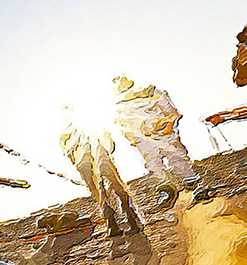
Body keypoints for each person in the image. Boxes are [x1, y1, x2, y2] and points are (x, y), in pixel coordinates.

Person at [112, 75, 207, 206]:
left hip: (162, 133)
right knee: (155, 164)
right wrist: (134, 139)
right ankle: (167, 191)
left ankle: (195, 187)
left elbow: (171, 111)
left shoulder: (151, 92)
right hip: (144, 139)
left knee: (176, 158)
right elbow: (123, 126)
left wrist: (168, 125)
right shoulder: (119, 106)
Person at [59, 119, 142, 237]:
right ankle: (128, 221)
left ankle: (116, 224)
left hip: (89, 161)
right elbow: (109, 141)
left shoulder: (67, 133)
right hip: (99, 158)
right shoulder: (87, 126)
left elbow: (69, 153)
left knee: (102, 192)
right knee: (115, 188)